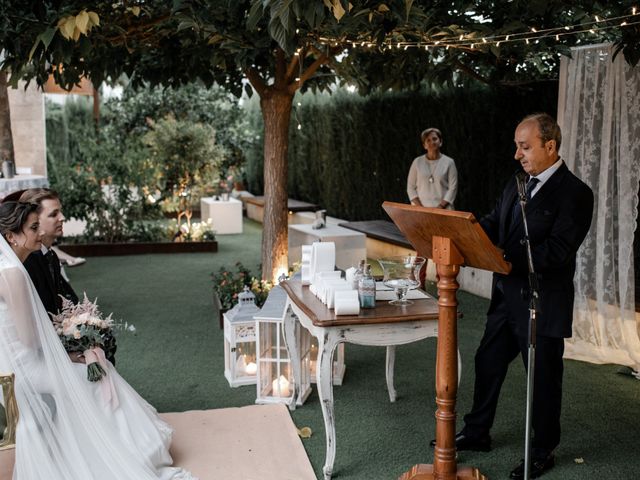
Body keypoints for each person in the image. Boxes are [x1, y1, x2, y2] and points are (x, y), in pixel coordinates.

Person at [437, 114, 593, 479]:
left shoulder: (576, 193)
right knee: (487, 361)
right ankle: (477, 432)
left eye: (525, 147)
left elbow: (558, 250)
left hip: (543, 303)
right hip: (506, 298)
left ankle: (542, 450)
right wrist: (466, 233)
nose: (517, 155)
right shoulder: (518, 183)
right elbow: (494, 222)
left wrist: (506, 260)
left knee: (542, 380)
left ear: (550, 146)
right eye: (517, 147)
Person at [0, 201, 196, 480]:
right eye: (33, 228)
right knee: (95, 376)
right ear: (11, 236)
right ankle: (128, 453)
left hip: (19, 368)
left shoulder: (7, 268)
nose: (39, 233)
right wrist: (70, 352)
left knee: (94, 367)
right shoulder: (12, 275)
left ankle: (124, 448)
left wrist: (71, 350)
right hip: (29, 373)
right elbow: (30, 342)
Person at [17, 188, 116, 364]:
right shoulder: (28, 262)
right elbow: (37, 320)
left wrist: (88, 326)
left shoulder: (51, 256)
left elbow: (67, 301)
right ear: (34, 221)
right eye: (54, 214)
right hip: (38, 352)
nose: (62, 218)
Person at [407, 127, 458, 209]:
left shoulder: (449, 162)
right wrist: (421, 208)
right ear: (424, 145)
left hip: (444, 210)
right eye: (428, 140)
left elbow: (453, 188)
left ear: (440, 142)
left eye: (435, 139)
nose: (432, 142)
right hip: (420, 211)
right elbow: (410, 187)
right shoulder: (417, 162)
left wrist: (440, 207)